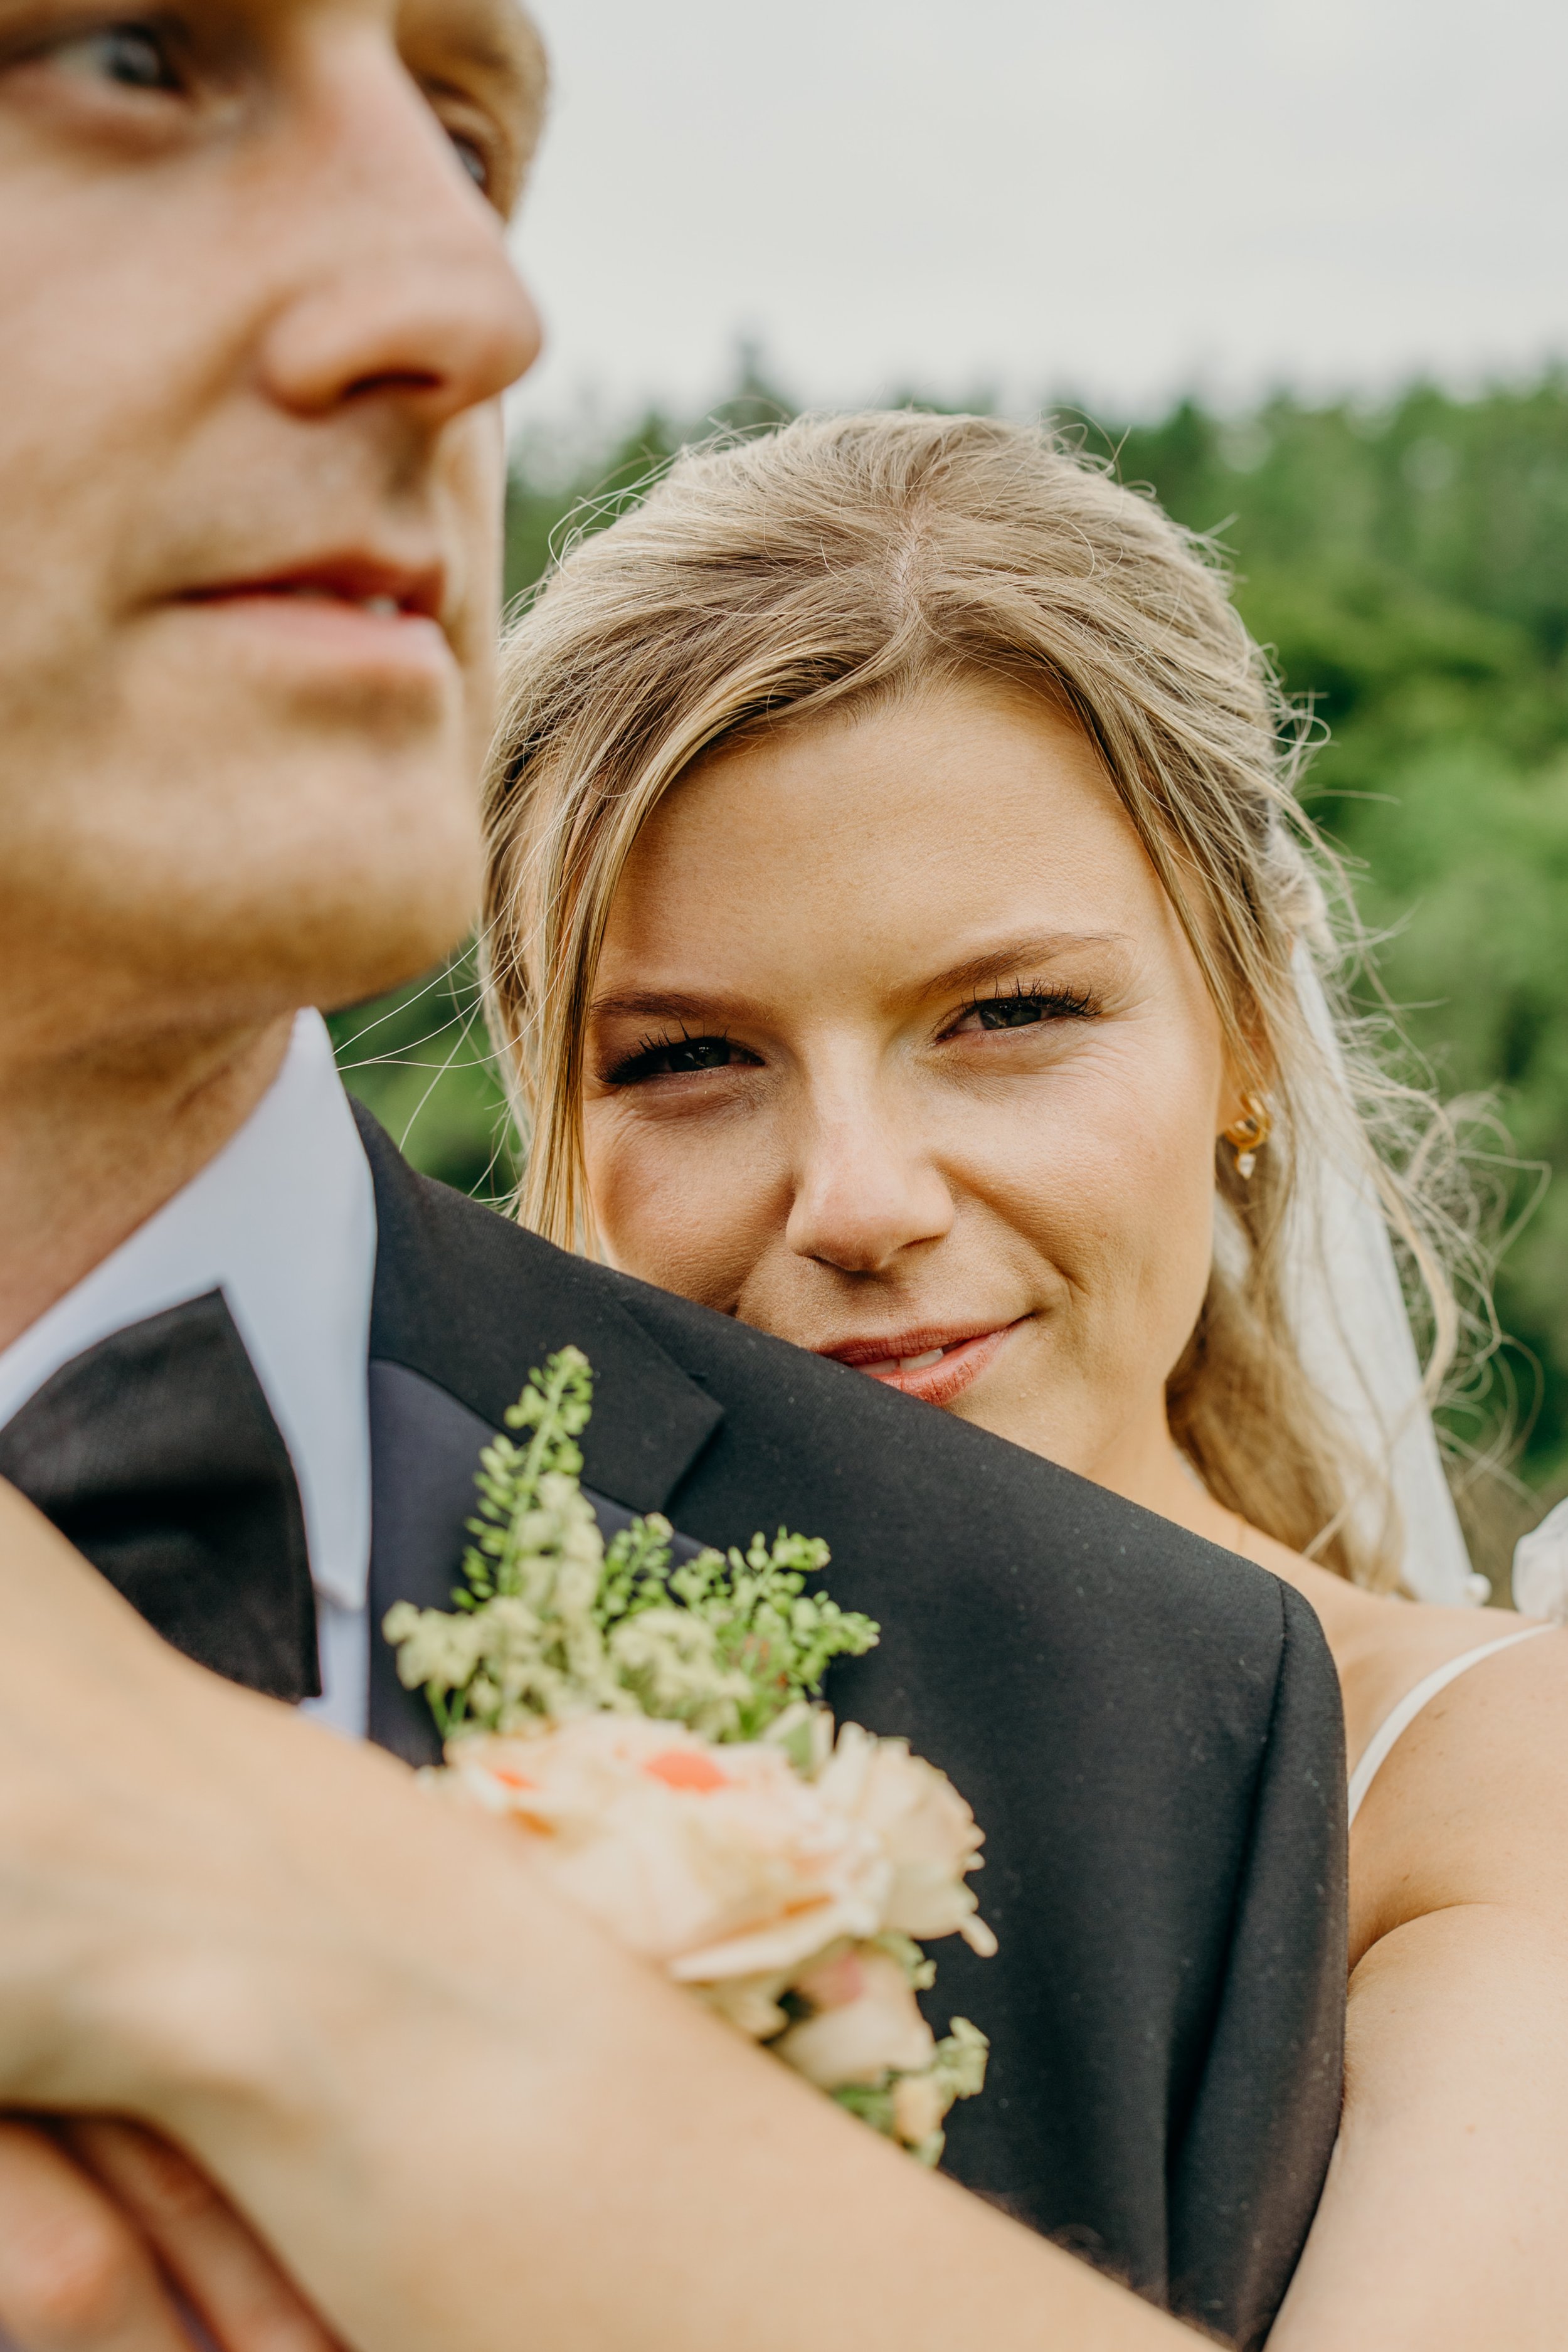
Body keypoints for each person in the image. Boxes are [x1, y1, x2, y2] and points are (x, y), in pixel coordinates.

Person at [0, 11, 1343, 2349]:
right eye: (128, 54)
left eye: (464, 122)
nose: (473, 293)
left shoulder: (1193, 1751)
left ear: (1245, 1018)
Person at [475, 406, 1568, 2343]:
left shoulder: (1483, 1785)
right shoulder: (401, 1738)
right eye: (684, 1059)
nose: (858, 1200)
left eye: (1003, 1017)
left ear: (1243, 1027)